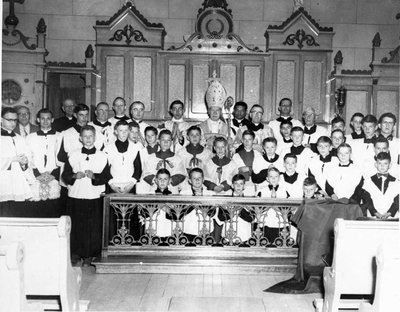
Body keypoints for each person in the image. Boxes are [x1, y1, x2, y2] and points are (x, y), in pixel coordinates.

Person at [62, 125, 110, 266]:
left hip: (94, 196)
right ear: (80, 138)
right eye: (85, 136)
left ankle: (90, 254)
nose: (88, 139)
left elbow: (107, 176)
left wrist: (95, 176)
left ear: (95, 138)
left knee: (93, 227)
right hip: (76, 195)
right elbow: (65, 175)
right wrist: (74, 175)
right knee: (77, 226)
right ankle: (76, 254)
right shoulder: (73, 155)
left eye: (91, 136)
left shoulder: (103, 156)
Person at [0, 107, 34, 214]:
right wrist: (12, 159)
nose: (13, 123)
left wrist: (24, 163)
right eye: (9, 120)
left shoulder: (19, 138)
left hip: (18, 181)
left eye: (15, 120)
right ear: (1, 119)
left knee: (17, 212)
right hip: (3, 181)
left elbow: (27, 158)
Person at [26, 108, 61, 209]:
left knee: (53, 208)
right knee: (35, 209)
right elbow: (28, 157)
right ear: (38, 120)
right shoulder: (30, 137)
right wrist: (37, 174)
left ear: (52, 120)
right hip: (36, 176)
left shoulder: (59, 136)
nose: (45, 121)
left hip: (54, 176)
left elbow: (62, 158)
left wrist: (53, 174)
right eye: (42, 118)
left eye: (48, 118)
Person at [139, 129, 186, 194]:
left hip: (172, 189)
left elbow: (182, 174)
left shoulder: (177, 158)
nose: (166, 142)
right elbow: (146, 173)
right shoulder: (151, 158)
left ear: (172, 142)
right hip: (155, 189)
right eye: (163, 140)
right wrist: (157, 180)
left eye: (168, 140)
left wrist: (169, 180)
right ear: (158, 141)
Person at [105, 120, 142, 194]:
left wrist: (131, 185)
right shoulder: (108, 148)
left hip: (130, 186)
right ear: (116, 131)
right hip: (113, 186)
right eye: (121, 130)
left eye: (126, 130)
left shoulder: (135, 148)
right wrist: (112, 186)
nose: (124, 133)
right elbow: (105, 169)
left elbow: (138, 169)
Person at [361, 152, 399, 218]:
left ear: (390, 165)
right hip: (373, 216)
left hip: (391, 216)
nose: (382, 166)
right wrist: (375, 213)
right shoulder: (368, 181)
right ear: (375, 164)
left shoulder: (396, 182)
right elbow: (367, 200)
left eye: (385, 163)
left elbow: (397, 200)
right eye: (379, 163)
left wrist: (389, 213)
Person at [231, 130, 260, 196]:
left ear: (253, 140)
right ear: (242, 140)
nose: (247, 142)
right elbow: (236, 171)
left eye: (249, 139)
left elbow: (259, 171)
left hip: (254, 184)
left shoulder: (257, 154)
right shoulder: (236, 155)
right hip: (240, 186)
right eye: (245, 139)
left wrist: (248, 169)